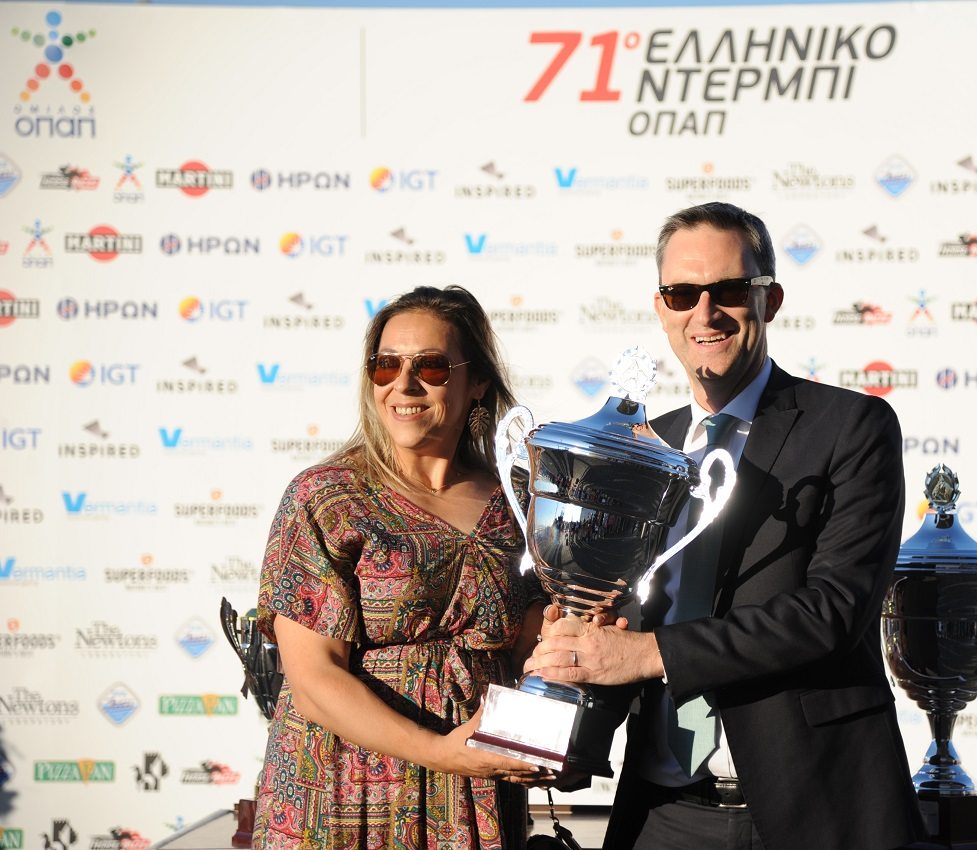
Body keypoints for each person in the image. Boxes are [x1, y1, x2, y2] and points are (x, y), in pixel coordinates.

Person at [528, 203, 925, 850]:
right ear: (661, 308)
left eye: (731, 290)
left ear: (770, 300)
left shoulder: (850, 427)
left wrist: (647, 654)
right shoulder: (641, 450)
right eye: (682, 294)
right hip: (663, 815)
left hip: (814, 811)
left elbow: (833, 610)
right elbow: (622, 624)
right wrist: (574, 688)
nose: (704, 313)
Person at [253, 285, 551, 850]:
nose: (404, 384)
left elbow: (526, 649)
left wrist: (569, 645)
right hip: (342, 789)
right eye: (386, 365)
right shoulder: (327, 498)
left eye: (431, 366)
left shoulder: (521, 501)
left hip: (474, 790)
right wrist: (441, 752)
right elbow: (313, 679)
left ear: (476, 381)